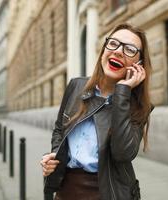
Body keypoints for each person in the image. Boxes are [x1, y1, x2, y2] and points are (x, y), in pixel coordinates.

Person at [41, 23, 154, 200]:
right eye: (113, 43)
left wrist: (122, 93)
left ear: (139, 64)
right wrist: (55, 155)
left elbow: (122, 153)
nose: (118, 51)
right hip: (65, 191)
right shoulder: (76, 86)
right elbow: (59, 129)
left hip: (108, 193)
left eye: (130, 49)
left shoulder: (139, 107)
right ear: (103, 50)